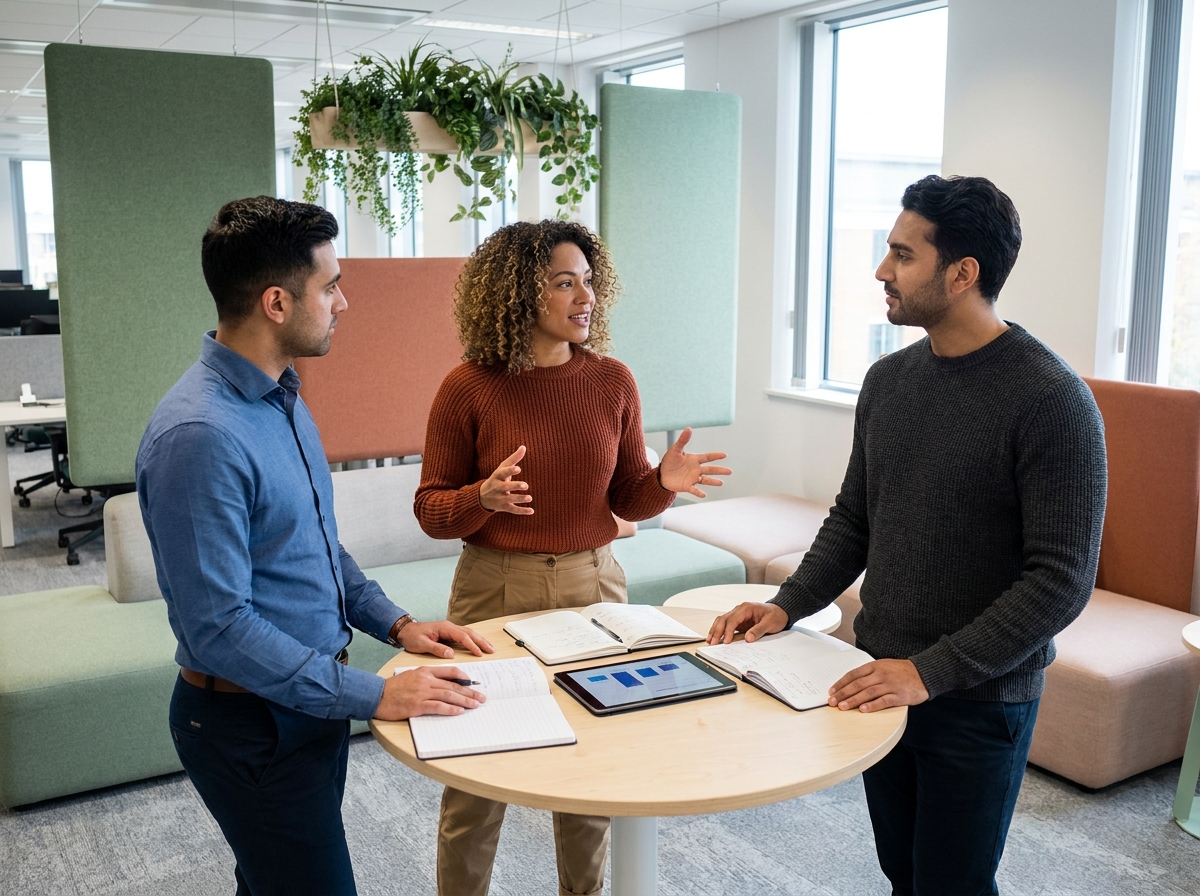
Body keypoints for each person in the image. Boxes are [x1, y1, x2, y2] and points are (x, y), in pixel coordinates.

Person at [708, 175, 1107, 896]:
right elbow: (856, 517)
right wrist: (787, 604)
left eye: (902, 254)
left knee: (952, 885)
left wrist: (929, 671)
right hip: (881, 676)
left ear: (962, 274)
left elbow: (1061, 580)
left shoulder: (1051, 399)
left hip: (978, 697)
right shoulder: (889, 380)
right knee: (903, 873)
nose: (881, 271)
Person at [137, 196, 494, 896]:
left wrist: (397, 624)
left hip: (307, 705)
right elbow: (219, 629)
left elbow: (315, 548)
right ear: (276, 302)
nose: (344, 303)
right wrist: (375, 695)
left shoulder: (284, 398)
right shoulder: (200, 436)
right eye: (330, 286)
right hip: (251, 724)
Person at [415, 219, 732, 896]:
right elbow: (430, 510)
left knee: (593, 766)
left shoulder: (612, 381)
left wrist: (663, 483)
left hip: (595, 586)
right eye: (565, 282)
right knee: (477, 775)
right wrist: (481, 497)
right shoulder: (467, 387)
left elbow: (628, 497)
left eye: (588, 281)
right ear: (518, 293)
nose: (585, 296)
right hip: (495, 588)